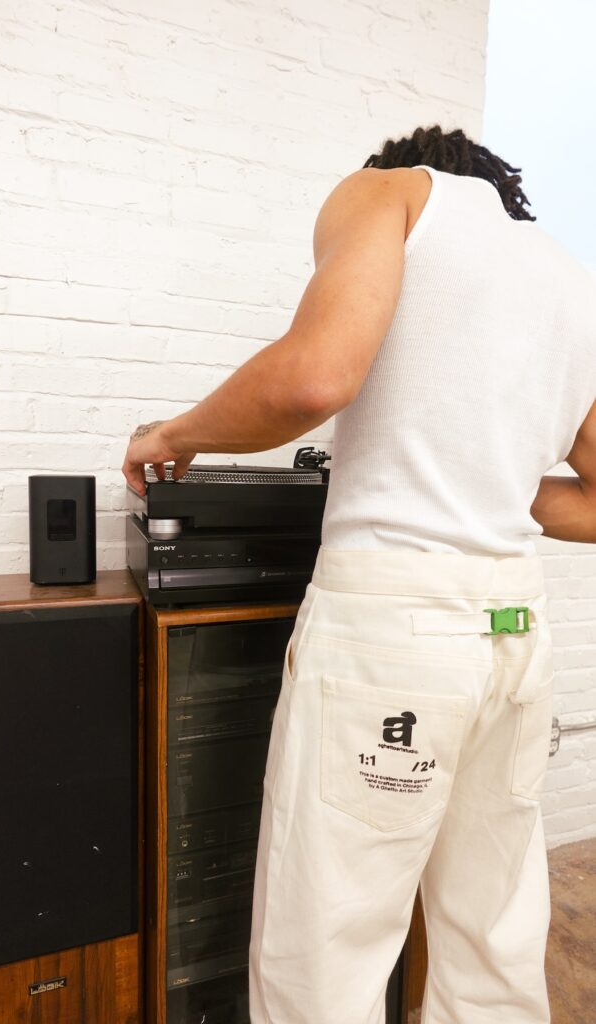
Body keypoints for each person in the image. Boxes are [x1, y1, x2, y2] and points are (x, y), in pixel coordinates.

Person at [121, 124, 596, 1023]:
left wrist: (170, 435)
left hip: (393, 632)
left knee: (326, 939)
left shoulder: (388, 190)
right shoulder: (569, 274)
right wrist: (484, 475)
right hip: (513, 633)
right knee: (493, 927)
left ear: (407, 164)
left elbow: (313, 380)